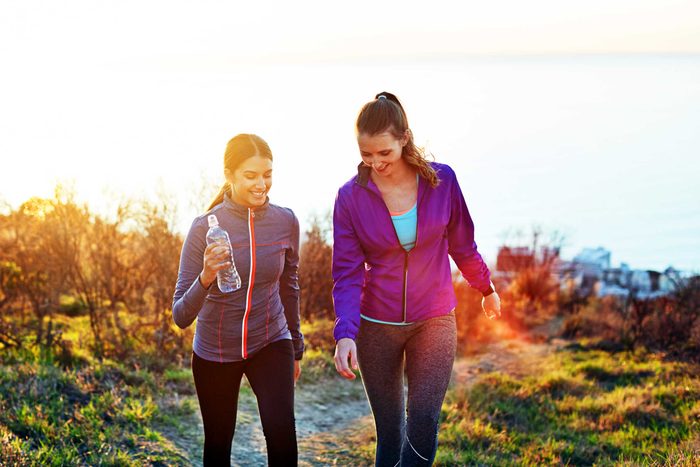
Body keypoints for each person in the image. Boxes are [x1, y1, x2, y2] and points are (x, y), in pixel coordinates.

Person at [332, 92, 501, 466]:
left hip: (434, 318)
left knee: (423, 423)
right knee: (390, 435)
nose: (375, 163)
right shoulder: (349, 197)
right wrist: (345, 332)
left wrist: (485, 287)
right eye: (366, 155)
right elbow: (346, 273)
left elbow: (462, 243)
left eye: (384, 154)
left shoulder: (442, 181)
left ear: (404, 139)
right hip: (376, 325)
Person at [172, 133, 303, 467]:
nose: (262, 184)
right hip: (215, 349)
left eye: (267, 174)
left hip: (271, 340)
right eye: (251, 176)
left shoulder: (285, 221)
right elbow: (181, 315)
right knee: (218, 443)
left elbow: (290, 286)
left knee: (282, 437)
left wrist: (296, 348)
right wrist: (206, 276)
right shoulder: (204, 228)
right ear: (229, 176)